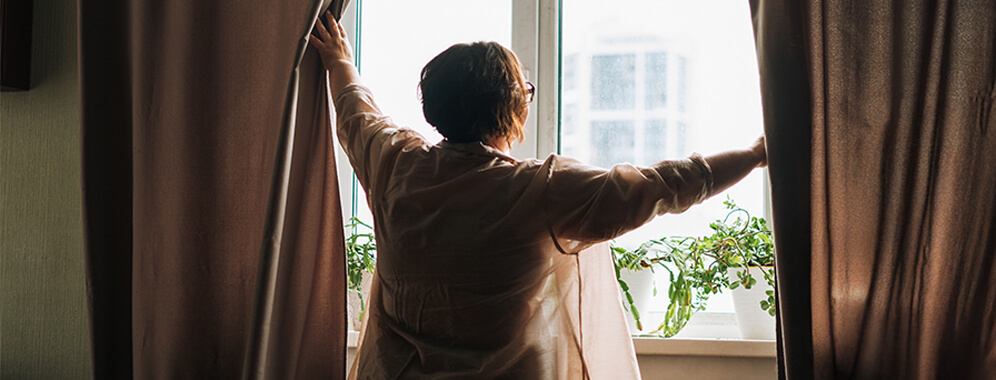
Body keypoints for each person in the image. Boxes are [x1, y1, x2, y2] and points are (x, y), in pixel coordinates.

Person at [309, 11, 766, 380]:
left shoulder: (394, 165)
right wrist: (755, 155)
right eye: (525, 90)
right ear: (512, 106)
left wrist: (338, 60)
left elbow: (355, 110)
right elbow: (669, 184)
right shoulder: (540, 191)